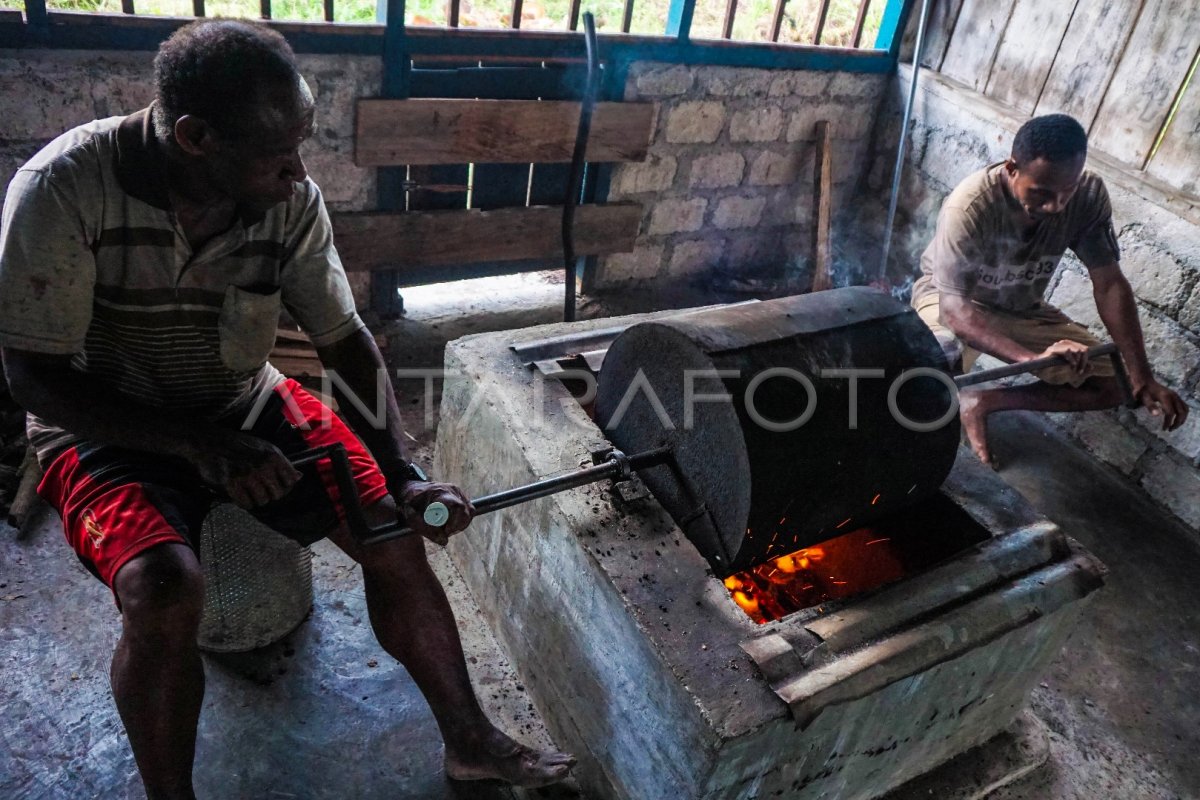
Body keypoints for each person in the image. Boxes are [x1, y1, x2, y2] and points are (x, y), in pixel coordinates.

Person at [0, 19, 574, 799]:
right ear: (197, 138)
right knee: (162, 590)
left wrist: (402, 473)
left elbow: (344, 342)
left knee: (389, 532)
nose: (300, 172)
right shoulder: (62, 188)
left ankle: (468, 740)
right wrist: (202, 448)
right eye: (280, 154)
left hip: (242, 399)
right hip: (104, 426)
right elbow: (33, 377)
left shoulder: (286, 203)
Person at [910, 113, 1188, 466]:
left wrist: (1143, 376)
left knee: (1117, 383)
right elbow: (955, 311)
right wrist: (1030, 360)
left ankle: (983, 401)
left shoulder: (1087, 197)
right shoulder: (969, 205)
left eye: (1065, 192)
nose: (1055, 205)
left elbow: (1109, 284)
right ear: (1012, 169)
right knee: (936, 360)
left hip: (1023, 309)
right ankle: (922, 454)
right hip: (958, 302)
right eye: (1041, 193)